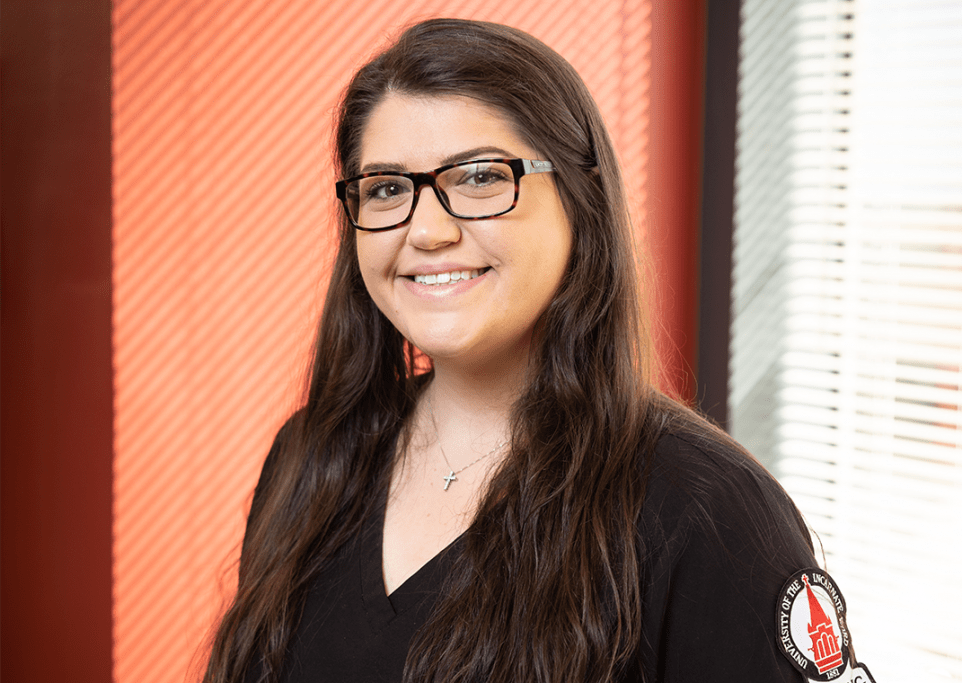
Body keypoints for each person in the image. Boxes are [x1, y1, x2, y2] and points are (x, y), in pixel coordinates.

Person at [203, 18, 821, 683]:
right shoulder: (310, 460)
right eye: (386, 188)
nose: (428, 230)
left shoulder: (707, 511)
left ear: (580, 203)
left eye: (479, 178)